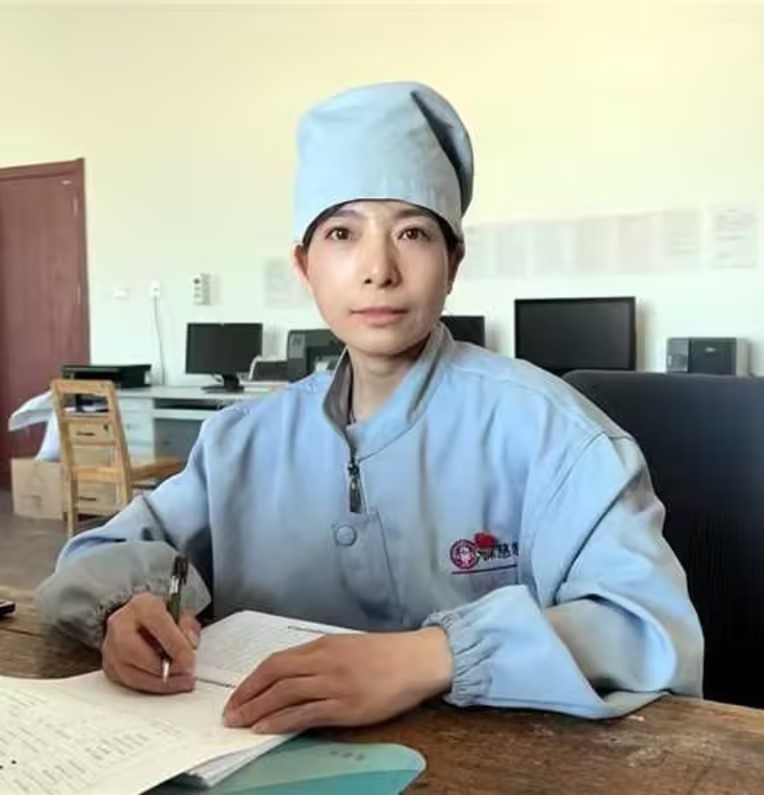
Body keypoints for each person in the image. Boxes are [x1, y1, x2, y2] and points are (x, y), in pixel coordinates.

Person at [36, 82, 703, 733]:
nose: (378, 268)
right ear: (305, 267)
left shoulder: (553, 431)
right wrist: (129, 609)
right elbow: (100, 554)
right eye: (341, 233)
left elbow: (648, 629)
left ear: (453, 263)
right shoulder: (240, 441)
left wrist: (433, 656)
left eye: (412, 233)